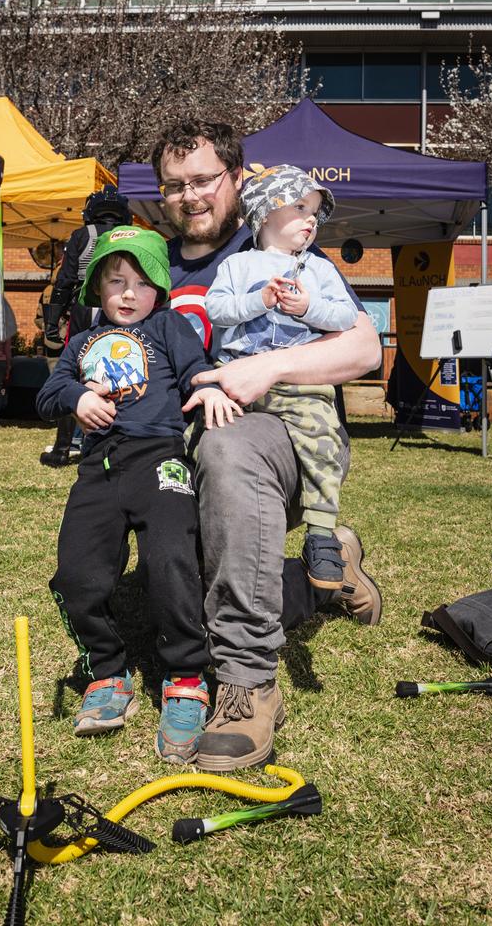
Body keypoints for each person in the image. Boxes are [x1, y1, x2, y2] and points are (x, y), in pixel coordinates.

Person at [150, 118, 383, 770]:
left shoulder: (284, 253)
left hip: (282, 434)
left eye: (203, 180)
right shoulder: (150, 267)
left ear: (237, 179)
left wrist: (268, 369)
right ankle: (330, 567)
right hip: (181, 440)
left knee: (228, 450)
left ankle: (247, 684)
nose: (191, 197)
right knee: (178, 568)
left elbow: (364, 348)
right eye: (175, 186)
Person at [36, 226, 242, 764]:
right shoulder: (82, 342)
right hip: (98, 469)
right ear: (97, 290)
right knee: (76, 575)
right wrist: (78, 397)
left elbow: (197, 369)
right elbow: (48, 392)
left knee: (170, 559)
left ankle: (187, 678)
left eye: (140, 283)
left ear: (159, 290)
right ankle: (107, 672)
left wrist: (212, 387)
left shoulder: (169, 325)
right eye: (114, 282)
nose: (127, 294)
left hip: (160, 461)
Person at [206, 164, 358, 589]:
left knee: (322, 436)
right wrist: (260, 299)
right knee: (203, 431)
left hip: (297, 382)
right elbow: (216, 310)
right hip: (233, 374)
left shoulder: (320, 271)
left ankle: (322, 534)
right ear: (267, 214)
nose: (311, 219)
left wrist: (310, 307)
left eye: (314, 212)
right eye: (300, 207)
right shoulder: (238, 266)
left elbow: (345, 317)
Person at [40, 185, 132, 467]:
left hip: (83, 309)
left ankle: (62, 447)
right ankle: (114, 444)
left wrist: (52, 322)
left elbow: (64, 281)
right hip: (123, 308)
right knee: (121, 376)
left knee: (73, 375)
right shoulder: (133, 237)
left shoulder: (81, 236)